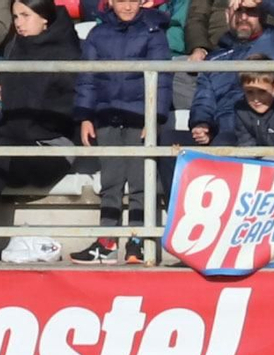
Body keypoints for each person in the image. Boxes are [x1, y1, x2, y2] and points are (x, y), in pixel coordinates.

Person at [71, 0, 173, 266]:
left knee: (141, 181)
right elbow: (87, 78)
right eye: (121, 0)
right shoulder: (98, 34)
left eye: (132, 0)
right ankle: (106, 241)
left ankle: (137, 241)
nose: (127, 6)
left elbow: (162, 80)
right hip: (106, 116)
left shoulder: (154, 32)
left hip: (141, 118)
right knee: (111, 181)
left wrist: (154, 117)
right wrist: (85, 116)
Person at [189, 0, 274, 145]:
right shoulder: (214, 59)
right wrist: (201, 123)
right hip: (229, 134)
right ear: (227, 15)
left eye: (251, 11)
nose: (243, 17)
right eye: (238, 11)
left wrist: (264, 2)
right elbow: (203, 100)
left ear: (262, 15)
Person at [0, 0, 80, 200]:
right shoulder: (14, 46)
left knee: (0, 151)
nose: (18, 23)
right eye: (15, 16)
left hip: (52, 148)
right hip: (13, 140)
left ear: (45, 18)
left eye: (26, 15)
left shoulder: (67, 52)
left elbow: (62, 115)